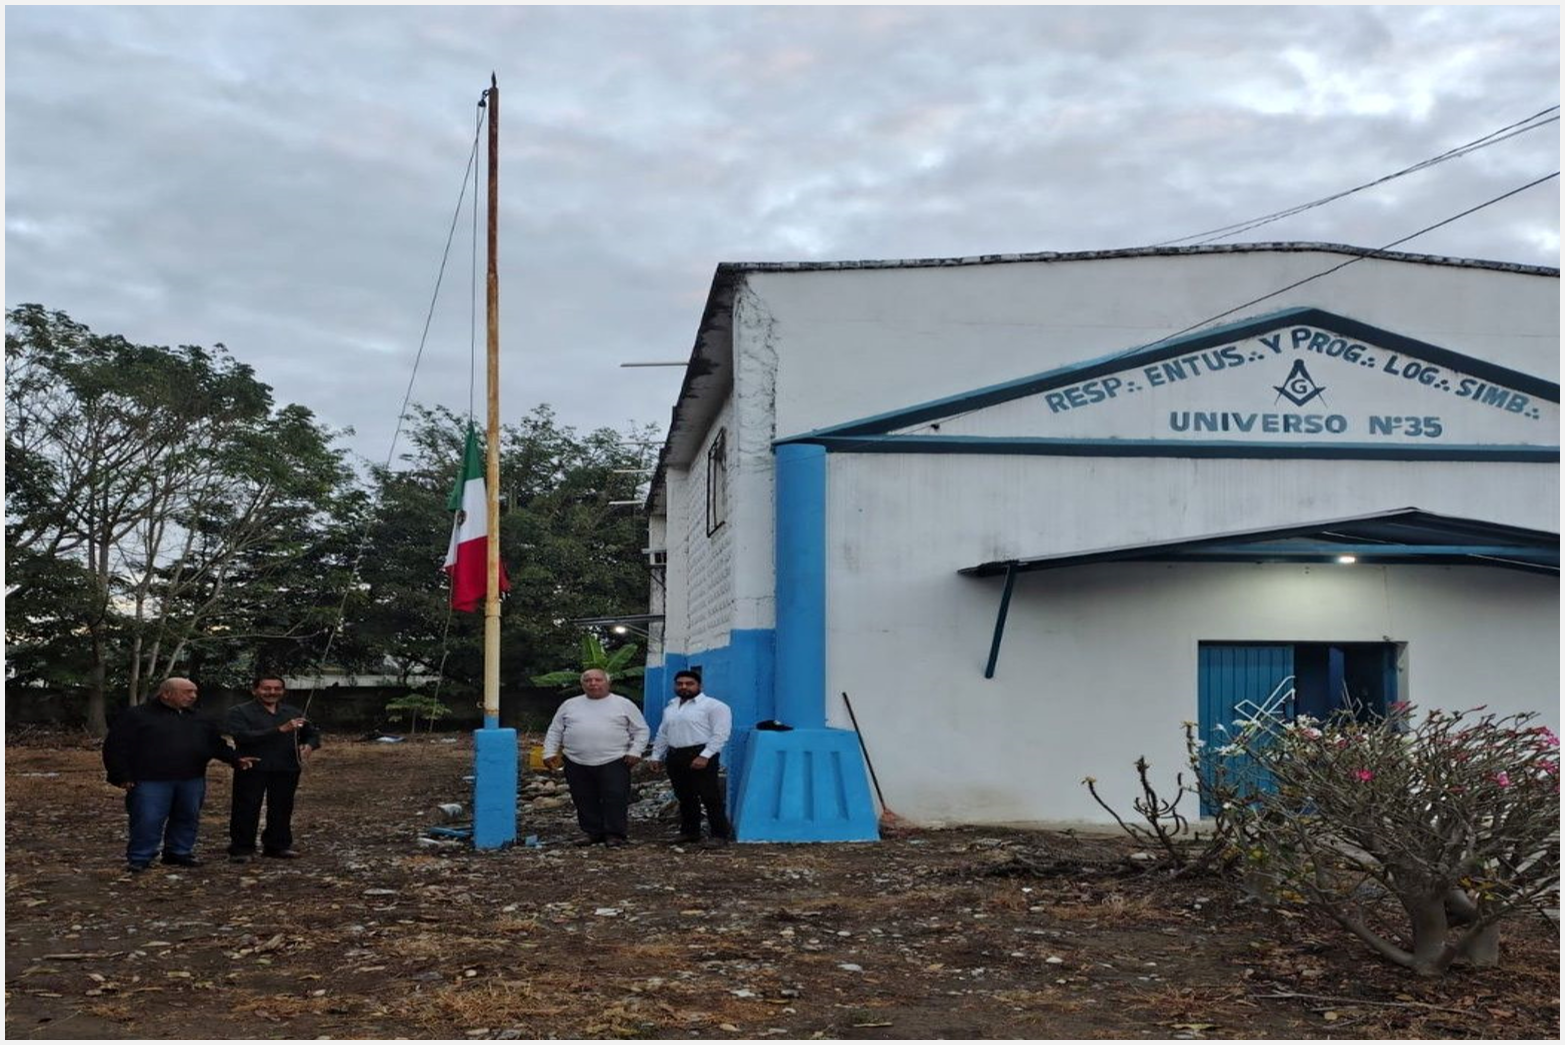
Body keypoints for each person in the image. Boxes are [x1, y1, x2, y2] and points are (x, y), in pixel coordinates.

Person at [102, 677, 256, 873]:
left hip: (191, 778)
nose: (193, 696)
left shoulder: (198, 718)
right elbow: (116, 747)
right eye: (187, 692)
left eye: (194, 692)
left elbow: (215, 744)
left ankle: (179, 852)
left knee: (187, 817)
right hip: (150, 779)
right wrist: (121, 775)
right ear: (166, 693)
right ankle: (140, 857)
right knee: (148, 819)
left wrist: (235, 759)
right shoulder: (137, 716)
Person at [542, 669, 650, 848]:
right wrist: (549, 752)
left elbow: (641, 730)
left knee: (615, 797)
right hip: (576, 760)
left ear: (608, 683)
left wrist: (635, 751)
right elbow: (555, 730)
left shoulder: (623, 704)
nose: (593, 683)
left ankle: (615, 834)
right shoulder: (570, 705)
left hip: (614, 759)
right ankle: (593, 832)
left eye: (598, 680)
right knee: (583, 798)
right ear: (582, 684)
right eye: (588, 680)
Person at [225, 675, 321, 862]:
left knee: (282, 807)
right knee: (246, 807)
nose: (272, 692)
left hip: (286, 766)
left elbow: (312, 734)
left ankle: (277, 846)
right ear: (255, 690)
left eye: (277, 689)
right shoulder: (239, 712)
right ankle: (241, 849)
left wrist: (309, 745)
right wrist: (279, 730)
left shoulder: (292, 711)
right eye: (266, 688)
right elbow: (242, 736)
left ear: (283, 691)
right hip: (253, 765)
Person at [647, 670, 734, 846]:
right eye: (679, 683)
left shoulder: (715, 706)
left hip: (701, 755)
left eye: (689, 683)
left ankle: (719, 835)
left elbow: (721, 734)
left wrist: (705, 756)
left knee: (710, 796)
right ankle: (689, 832)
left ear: (700, 686)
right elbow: (663, 733)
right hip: (675, 755)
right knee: (684, 796)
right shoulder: (671, 707)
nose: (684, 687)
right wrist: (656, 755)